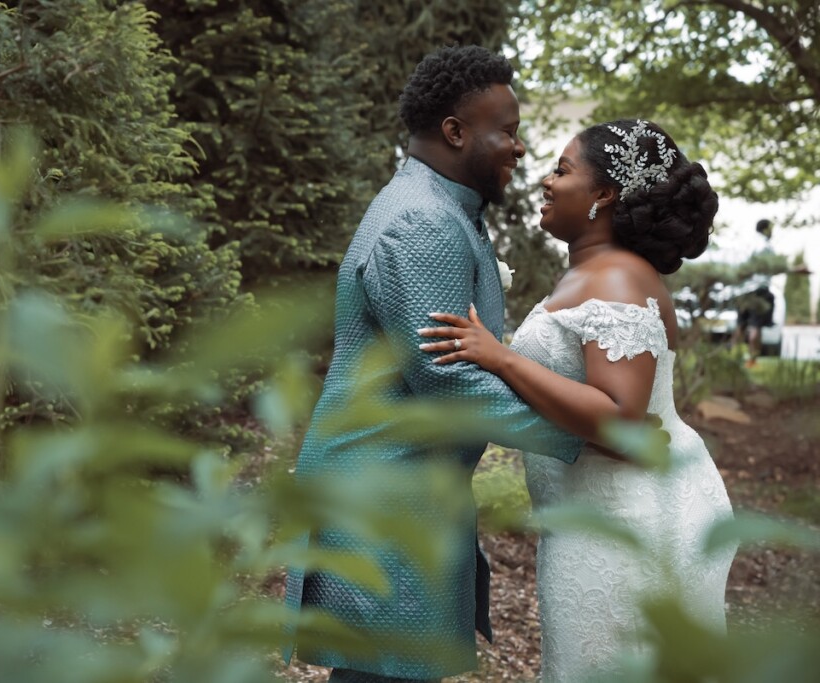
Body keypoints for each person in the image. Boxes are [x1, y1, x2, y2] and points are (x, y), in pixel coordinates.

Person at [282, 46, 583, 682]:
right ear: (455, 131)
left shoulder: (440, 208)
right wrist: (590, 434)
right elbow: (449, 380)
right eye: (509, 131)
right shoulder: (422, 221)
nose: (519, 148)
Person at [419, 119, 736, 681]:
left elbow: (619, 423)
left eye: (562, 170)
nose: (546, 180)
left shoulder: (615, 280)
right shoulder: (594, 271)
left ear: (605, 195)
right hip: (596, 508)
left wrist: (501, 357)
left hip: (632, 520)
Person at [733, 219, 777, 366]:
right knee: (756, 326)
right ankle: (752, 360)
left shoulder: (747, 245)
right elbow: (772, 268)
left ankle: (734, 358)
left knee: (740, 325)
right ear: (766, 229)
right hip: (759, 289)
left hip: (742, 290)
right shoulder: (766, 246)